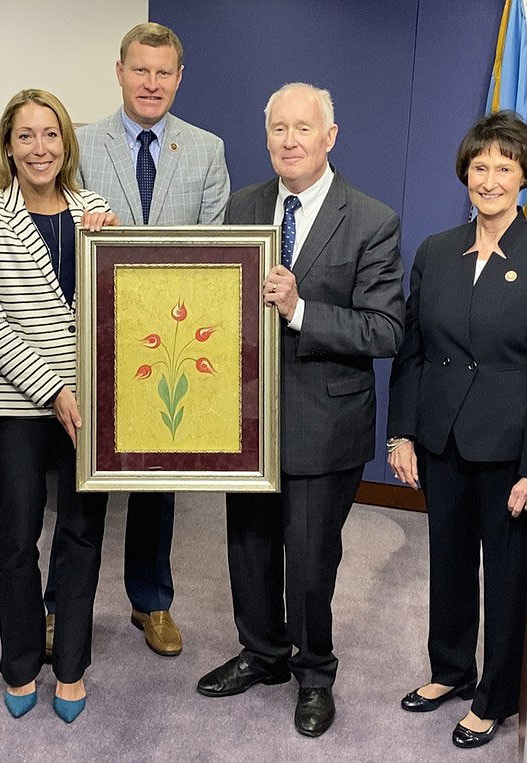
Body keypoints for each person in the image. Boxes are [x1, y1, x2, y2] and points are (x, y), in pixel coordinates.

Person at [196, 82, 405, 738]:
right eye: (278, 128)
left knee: (311, 558)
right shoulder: (241, 206)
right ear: (267, 138)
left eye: (303, 128)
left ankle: (315, 672)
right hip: (248, 422)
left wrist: (300, 310)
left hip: (325, 421)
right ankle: (262, 652)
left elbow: (384, 330)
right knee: (249, 544)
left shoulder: (372, 219)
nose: (290, 139)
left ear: (329, 137)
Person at [44, 21, 230, 658]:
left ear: (179, 78)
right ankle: (60, 603)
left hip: (167, 344)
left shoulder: (207, 149)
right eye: (140, 70)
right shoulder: (79, 145)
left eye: (164, 72)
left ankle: (151, 601)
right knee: (80, 485)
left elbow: (215, 254)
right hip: (91, 341)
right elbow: (54, 238)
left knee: (157, 481)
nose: (151, 83)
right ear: (118, 71)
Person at [0, 89, 115, 724]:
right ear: (7, 145)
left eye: (50, 134)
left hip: (94, 406)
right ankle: (21, 661)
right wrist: (53, 389)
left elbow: (123, 301)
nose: (39, 148)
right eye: (25, 136)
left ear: (66, 143)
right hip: (23, 401)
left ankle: (72, 667)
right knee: (17, 537)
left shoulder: (96, 211)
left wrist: (118, 244)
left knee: (82, 533)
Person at [387, 110, 527, 750]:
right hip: (441, 439)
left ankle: (494, 696)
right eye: (480, 167)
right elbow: (413, 350)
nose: (490, 179)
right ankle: (448, 669)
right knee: (445, 562)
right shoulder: (437, 251)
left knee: (504, 575)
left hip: (509, 447)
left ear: (523, 177)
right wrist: (402, 433)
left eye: (504, 167)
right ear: (464, 174)